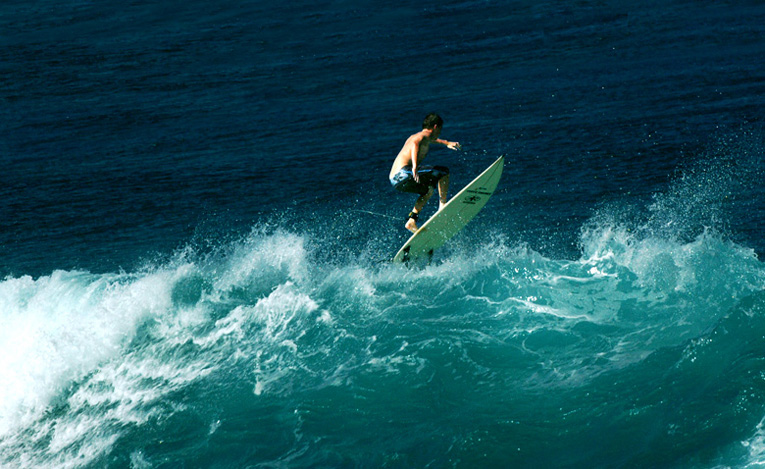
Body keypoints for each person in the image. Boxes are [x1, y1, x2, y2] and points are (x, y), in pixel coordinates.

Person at [389, 113, 461, 233]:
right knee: (443, 172)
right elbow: (415, 144)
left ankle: (412, 220)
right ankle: (443, 206)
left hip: (395, 180)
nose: (439, 133)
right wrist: (415, 166)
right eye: (440, 129)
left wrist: (447, 143)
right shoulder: (420, 136)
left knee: (428, 191)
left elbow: (433, 140)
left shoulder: (421, 136)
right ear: (435, 127)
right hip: (403, 173)